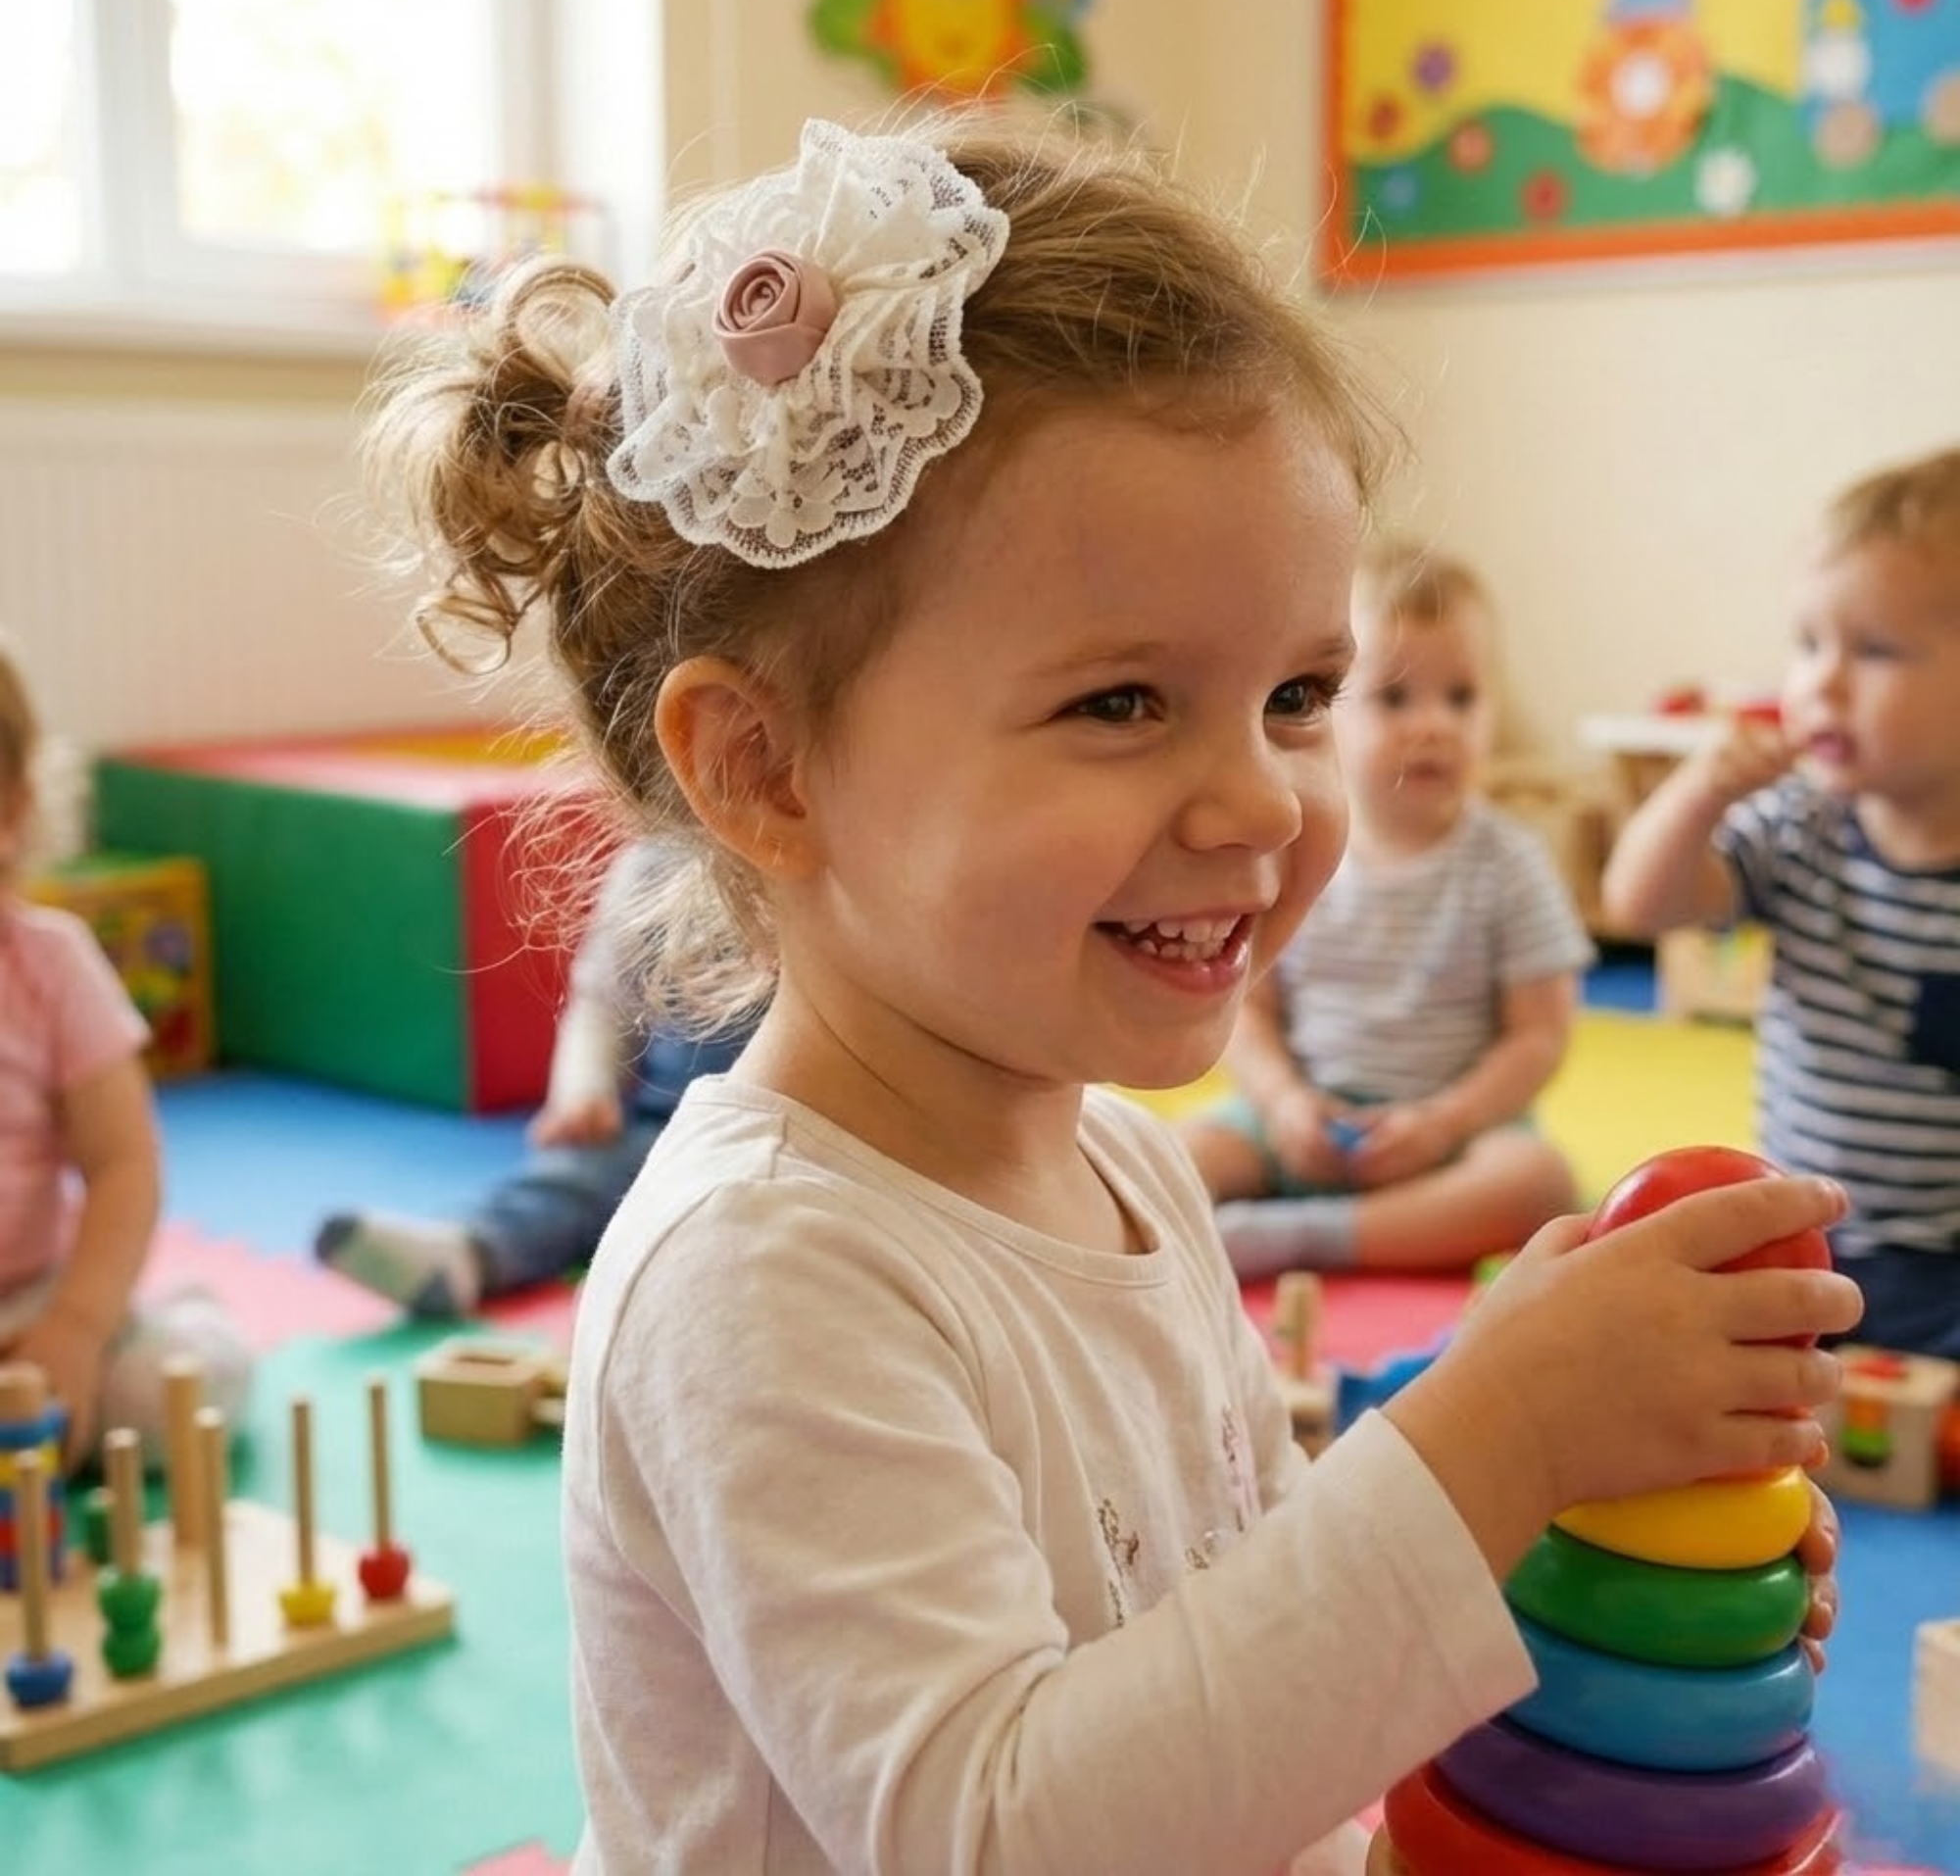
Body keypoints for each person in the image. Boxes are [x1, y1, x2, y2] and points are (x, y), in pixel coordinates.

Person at [368, 116, 1860, 1875]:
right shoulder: (761, 1276)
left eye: (1299, 693)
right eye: (1124, 705)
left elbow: (1233, 1663)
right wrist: (1493, 1436)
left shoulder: (1130, 1170)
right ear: (765, 771)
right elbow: (1001, 1834)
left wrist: (1549, 1547)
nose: (1268, 806)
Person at [1602, 444, 1960, 1360]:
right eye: (1809, 645)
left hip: (1946, 1261)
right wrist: (1698, 794)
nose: (1822, 684)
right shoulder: (1798, 827)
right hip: (1800, 1233)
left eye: (1874, 650)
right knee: (1647, 1278)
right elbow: (1637, 904)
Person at [1179, 538, 1592, 1278]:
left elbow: (1539, 1035)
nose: (1432, 724)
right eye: (1396, 697)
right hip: (1307, 1122)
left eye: (1461, 697)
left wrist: (1445, 1122)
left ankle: (1308, 1236)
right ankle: (1295, 1218)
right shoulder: (1293, 852)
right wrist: (1282, 1103)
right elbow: (1251, 1008)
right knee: (1163, 1157)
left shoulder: (1510, 864)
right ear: (1327, 714)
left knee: (1540, 1185)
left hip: (1453, 1135)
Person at [314, 838, 753, 1316]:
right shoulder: (653, 867)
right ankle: (470, 1250)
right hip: (669, 1134)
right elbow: (602, 1007)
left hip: (802, 1134)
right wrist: (584, 1091)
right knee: (581, 1175)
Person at [0, 636, 251, 1469]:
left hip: (39, 1304)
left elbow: (122, 1163)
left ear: (10, 808)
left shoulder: (45, 962)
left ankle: (180, 1315)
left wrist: (75, 1326)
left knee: (172, 1396)